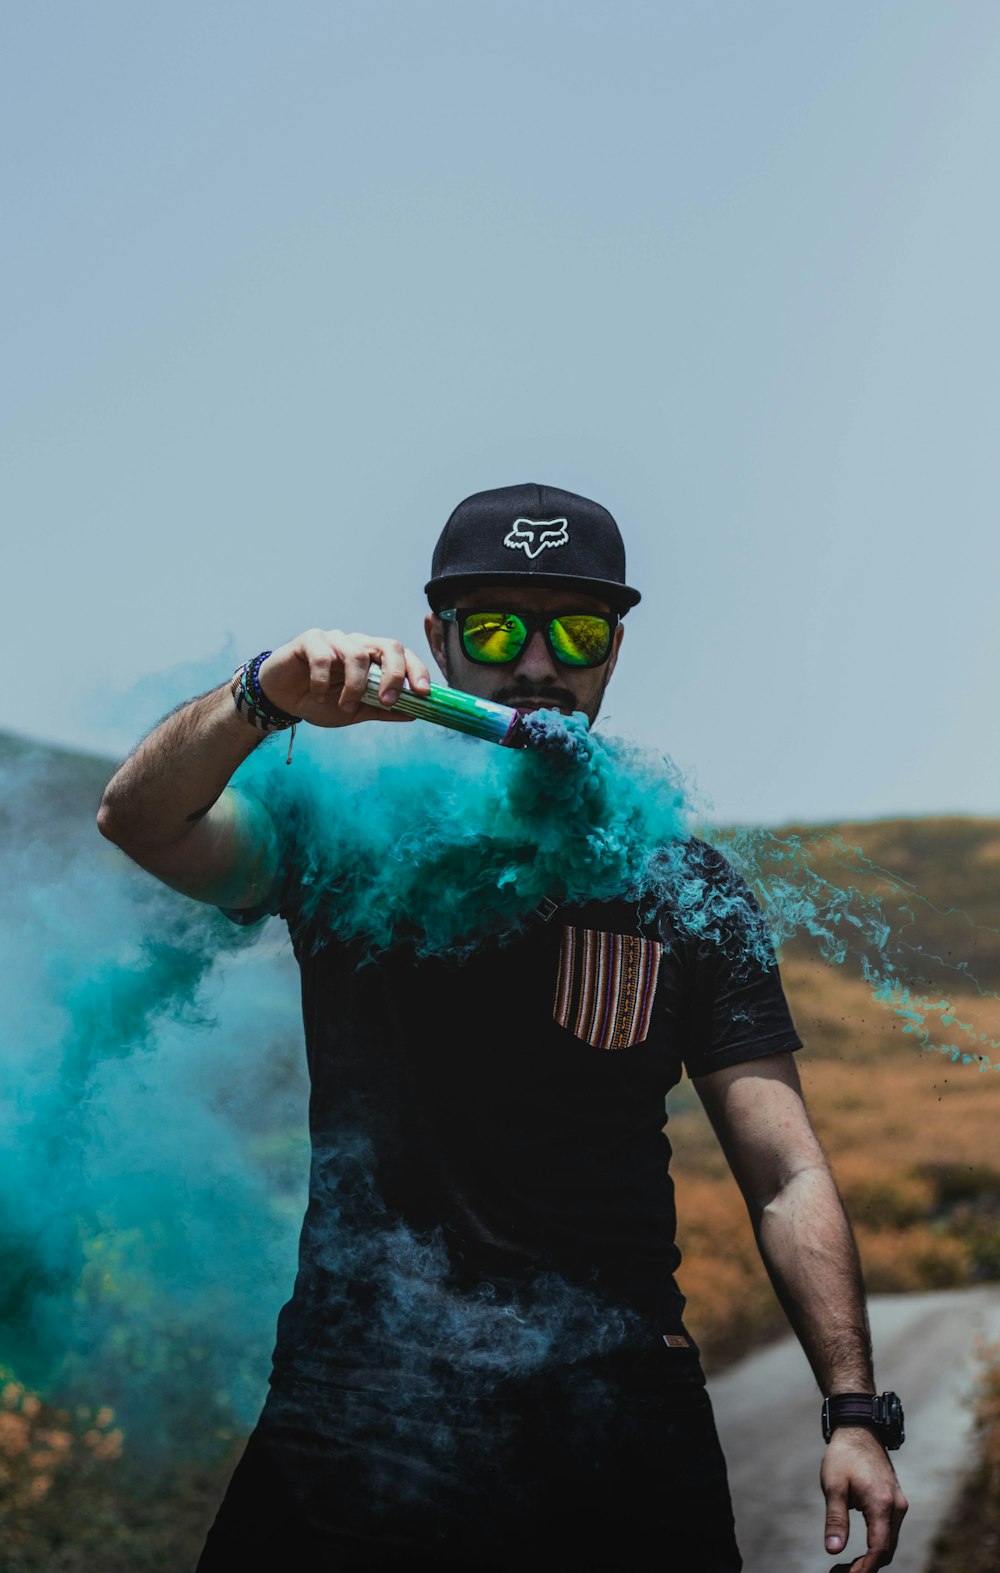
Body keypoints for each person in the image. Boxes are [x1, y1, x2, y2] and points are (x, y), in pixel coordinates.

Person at [97, 483, 908, 1571]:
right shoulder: (346, 840)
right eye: (493, 630)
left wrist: (853, 1408)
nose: (538, 666)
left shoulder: (688, 885)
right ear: (438, 643)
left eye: (576, 630)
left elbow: (783, 1171)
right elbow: (141, 818)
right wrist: (264, 694)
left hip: (619, 1432)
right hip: (352, 1420)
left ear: (614, 649)